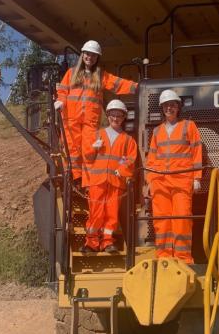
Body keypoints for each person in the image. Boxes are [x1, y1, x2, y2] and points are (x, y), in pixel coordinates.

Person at [55, 40, 138, 184]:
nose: (90, 57)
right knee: (71, 149)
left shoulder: (101, 75)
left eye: (94, 55)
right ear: (83, 54)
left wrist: (138, 87)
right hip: (70, 118)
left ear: (97, 58)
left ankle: (87, 183)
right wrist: (61, 100)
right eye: (88, 54)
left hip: (89, 121)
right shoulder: (71, 73)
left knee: (90, 151)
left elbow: (118, 84)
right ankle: (73, 179)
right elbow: (63, 90)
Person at [145, 89, 203, 264]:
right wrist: (149, 181)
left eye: (172, 105)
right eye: (166, 105)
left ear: (178, 107)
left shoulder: (188, 126)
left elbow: (196, 152)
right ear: (162, 108)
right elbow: (152, 159)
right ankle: (164, 257)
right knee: (161, 222)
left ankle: (183, 258)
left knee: (182, 219)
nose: (169, 108)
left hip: (181, 180)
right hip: (159, 182)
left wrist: (196, 178)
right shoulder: (156, 132)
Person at [81, 99, 137, 253]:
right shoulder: (98, 135)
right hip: (97, 181)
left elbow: (131, 159)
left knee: (112, 213)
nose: (116, 118)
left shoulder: (128, 140)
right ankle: (91, 242)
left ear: (124, 117)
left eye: (119, 115)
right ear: (108, 115)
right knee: (95, 212)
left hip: (116, 182)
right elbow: (88, 158)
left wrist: (123, 170)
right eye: (113, 115)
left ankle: (107, 242)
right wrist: (93, 148)